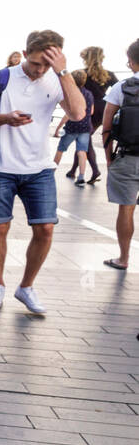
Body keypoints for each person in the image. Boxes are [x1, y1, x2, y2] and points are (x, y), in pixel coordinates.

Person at [0, 29, 86, 314]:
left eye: (46, 64)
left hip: (39, 168)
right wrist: (3, 118)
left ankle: (26, 287)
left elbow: (79, 114)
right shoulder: (1, 77)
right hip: (0, 166)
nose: (40, 69)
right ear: (25, 53)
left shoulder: (57, 79)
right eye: (35, 63)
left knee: (45, 228)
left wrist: (64, 72)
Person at [100, 38, 139, 271]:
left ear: (132, 61)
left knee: (126, 208)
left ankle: (124, 258)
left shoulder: (121, 87)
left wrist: (109, 159)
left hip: (127, 157)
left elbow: (107, 128)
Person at [77, 46, 116, 184]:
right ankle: (74, 169)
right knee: (85, 138)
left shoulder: (82, 73)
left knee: (84, 138)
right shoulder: (109, 74)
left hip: (88, 108)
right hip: (104, 108)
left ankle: (95, 170)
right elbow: (119, 88)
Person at [52, 71, 94, 186]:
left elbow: (68, 114)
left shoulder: (71, 93)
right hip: (85, 127)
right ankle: (81, 176)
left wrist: (58, 128)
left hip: (71, 127)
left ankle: (51, 173)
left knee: (61, 149)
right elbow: (91, 111)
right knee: (82, 151)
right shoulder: (89, 94)